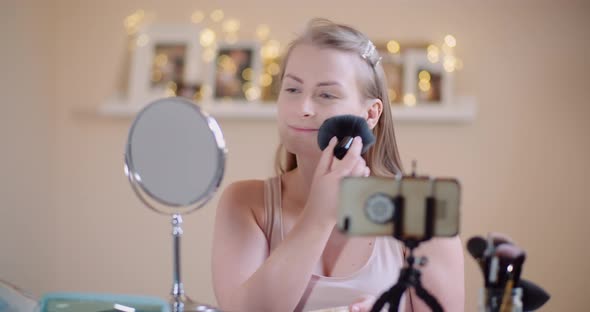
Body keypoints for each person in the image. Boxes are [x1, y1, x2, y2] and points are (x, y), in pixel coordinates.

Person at [212, 18, 464, 312]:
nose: (303, 108)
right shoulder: (246, 204)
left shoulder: (420, 213)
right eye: (292, 89)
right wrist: (319, 214)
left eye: (326, 94)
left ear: (371, 113)